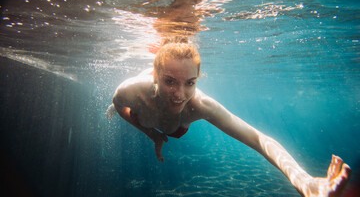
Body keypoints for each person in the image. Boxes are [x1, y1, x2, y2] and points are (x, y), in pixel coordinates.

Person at [106, 37, 351, 197]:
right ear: (155, 75)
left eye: (189, 83)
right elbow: (119, 105)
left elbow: (258, 139)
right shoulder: (130, 91)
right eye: (170, 81)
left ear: (198, 79)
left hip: (175, 128)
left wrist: (305, 183)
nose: (180, 95)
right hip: (146, 113)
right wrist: (152, 135)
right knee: (117, 107)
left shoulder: (200, 105)